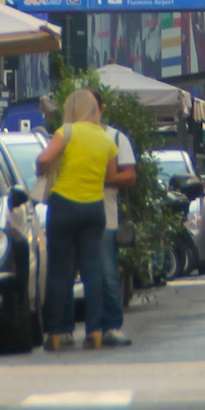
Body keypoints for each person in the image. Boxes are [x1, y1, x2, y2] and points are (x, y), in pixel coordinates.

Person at [36, 90, 118, 351]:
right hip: (94, 208)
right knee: (92, 270)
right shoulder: (106, 139)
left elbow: (44, 158)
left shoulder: (66, 132)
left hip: (64, 205)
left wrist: (42, 172)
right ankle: (94, 331)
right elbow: (111, 175)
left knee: (60, 271)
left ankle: (57, 333)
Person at [98, 120, 137, 347]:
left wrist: (101, 178)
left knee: (106, 272)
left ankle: (110, 327)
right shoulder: (66, 135)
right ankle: (63, 330)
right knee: (67, 274)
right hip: (75, 212)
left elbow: (130, 176)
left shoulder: (114, 137)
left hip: (106, 215)